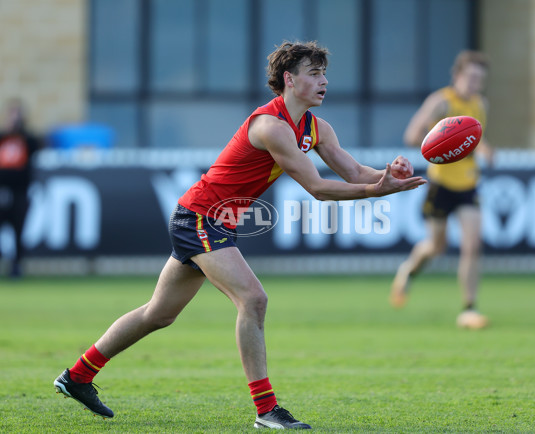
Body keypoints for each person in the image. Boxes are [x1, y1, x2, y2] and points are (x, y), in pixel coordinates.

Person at [53, 41, 427, 429]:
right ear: (289, 79)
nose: (324, 82)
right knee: (253, 299)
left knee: (158, 314)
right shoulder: (271, 127)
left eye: (324, 74)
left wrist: (388, 177)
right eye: (314, 74)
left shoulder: (316, 127)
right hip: (199, 218)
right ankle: (266, 409)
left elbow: (353, 173)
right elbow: (317, 188)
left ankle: (77, 376)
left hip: (210, 220)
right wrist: (375, 191)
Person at [389, 50, 494, 329]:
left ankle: (469, 308)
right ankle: (408, 271)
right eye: (470, 77)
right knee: (436, 246)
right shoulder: (441, 102)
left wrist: (484, 148)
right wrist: (438, 136)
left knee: (473, 246)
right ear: (457, 75)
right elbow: (412, 136)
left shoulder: (480, 104)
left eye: (479, 79)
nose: (474, 83)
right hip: (441, 184)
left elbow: (474, 139)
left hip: (469, 184)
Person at [0, 99, 42, 278]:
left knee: (18, 229)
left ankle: (16, 265)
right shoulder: (3, 137)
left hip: (20, 192)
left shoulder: (27, 139)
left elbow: (36, 145)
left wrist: (20, 131)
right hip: (2, 191)